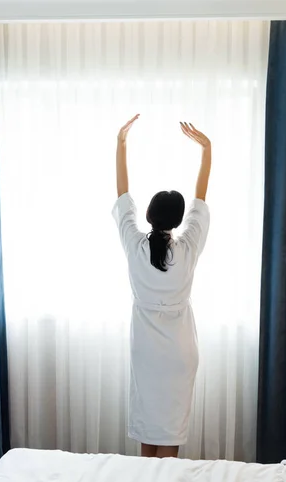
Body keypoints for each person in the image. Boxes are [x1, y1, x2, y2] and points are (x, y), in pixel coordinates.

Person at [112, 115, 211, 459]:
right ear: (178, 220)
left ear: (149, 214)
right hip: (179, 354)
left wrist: (121, 145)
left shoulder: (134, 244)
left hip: (146, 352)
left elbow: (123, 195)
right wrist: (207, 150)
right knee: (169, 432)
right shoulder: (188, 247)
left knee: (148, 432)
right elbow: (201, 199)